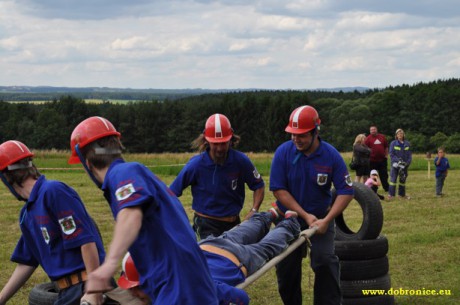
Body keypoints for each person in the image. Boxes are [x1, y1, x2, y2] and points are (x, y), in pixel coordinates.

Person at [68, 116, 219, 304]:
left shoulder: (122, 173)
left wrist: (108, 265)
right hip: (183, 281)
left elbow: (131, 214)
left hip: (177, 285)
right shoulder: (134, 172)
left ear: (87, 163)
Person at [117, 210, 301, 305]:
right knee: (242, 232)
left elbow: (241, 297)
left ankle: (290, 222)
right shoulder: (171, 269)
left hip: (235, 260)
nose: (132, 293)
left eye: (137, 288)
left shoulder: (189, 291)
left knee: (266, 248)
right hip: (208, 246)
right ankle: (268, 215)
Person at [0, 140, 106, 305]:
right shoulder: (26, 214)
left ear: (6, 177)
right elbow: (27, 263)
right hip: (65, 294)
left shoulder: (53, 191)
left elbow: (85, 240)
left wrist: (94, 291)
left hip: (85, 288)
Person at [269, 105, 354, 305]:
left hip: (321, 221)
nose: (296, 139)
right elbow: (279, 190)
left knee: (324, 261)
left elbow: (346, 191)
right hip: (288, 219)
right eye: (292, 134)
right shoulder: (283, 153)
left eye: (302, 135)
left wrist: (327, 220)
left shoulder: (331, 155)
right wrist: (305, 215)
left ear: (316, 132)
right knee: (286, 267)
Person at [170, 113, 265, 240]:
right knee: (211, 258)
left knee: (236, 258)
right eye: (215, 143)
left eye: (223, 143)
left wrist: (253, 210)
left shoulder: (241, 161)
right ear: (206, 141)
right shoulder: (196, 165)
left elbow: (259, 185)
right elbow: (171, 193)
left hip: (234, 224)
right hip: (206, 226)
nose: (220, 148)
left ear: (231, 140)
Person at [388, 128, 412, 200]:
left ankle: (401, 195)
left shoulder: (407, 143)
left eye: (401, 133)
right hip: (395, 165)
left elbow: (409, 155)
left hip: (404, 165)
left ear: (403, 135)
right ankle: (391, 195)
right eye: (398, 134)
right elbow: (391, 154)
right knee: (393, 180)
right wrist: (398, 161)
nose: (400, 135)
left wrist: (407, 163)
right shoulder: (393, 143)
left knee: (402, 180)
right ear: (396, 135)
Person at [365, 125, 389, 192]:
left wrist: (386, 155)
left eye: (374, 129)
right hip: (372, 161)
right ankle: (374, 189)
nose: (373, 131)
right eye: (371, 130)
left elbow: (386, 147)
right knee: (373, 175)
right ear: (370, 131)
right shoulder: (368, 139)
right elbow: (365, 149)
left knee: (384, 175)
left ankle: (386, 188)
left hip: (382, 160)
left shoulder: (382, 137)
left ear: (376, 130)